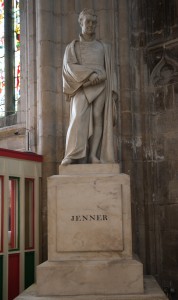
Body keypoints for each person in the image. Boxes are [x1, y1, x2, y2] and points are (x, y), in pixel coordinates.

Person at [61, 8, 117, 165]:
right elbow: (69, 67)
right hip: (83, 85)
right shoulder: (72, 47)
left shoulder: (104, 47)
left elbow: (111, 70)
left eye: (94, 22)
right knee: (77, 116)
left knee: (98, 117)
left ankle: (93, 155)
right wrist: (90, 74)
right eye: (88, 22)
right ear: (81, 23)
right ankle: (72, 154)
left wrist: (112, 89)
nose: (91, 25)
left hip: (101, 85)